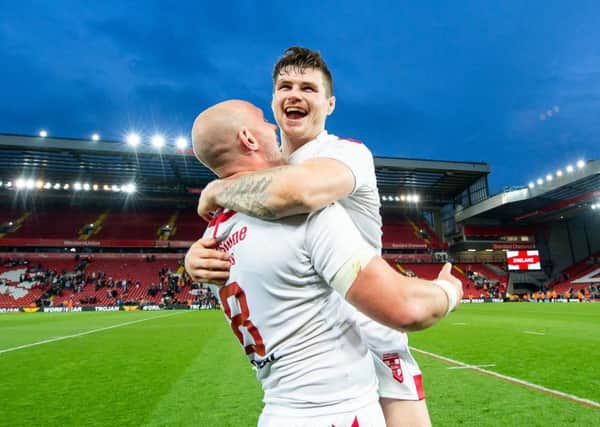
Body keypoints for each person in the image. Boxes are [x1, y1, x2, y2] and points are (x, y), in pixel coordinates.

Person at [186, 47, 441, 426]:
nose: (296, 94)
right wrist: (193, 257)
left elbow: (296, 193)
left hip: (373, 324)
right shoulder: (268, 166)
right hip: (315, 345)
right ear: (273, 101)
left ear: (330, 104)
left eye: (309, 88)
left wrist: (218, 189)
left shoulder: (344, 153)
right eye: (285, 86)